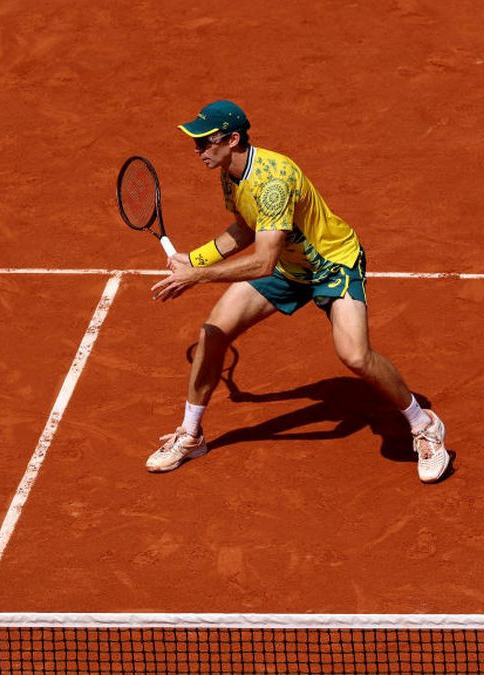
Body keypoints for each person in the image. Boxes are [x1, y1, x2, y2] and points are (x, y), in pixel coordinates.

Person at [146, 100, 450, 483]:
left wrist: (197, 276)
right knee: (213, 333)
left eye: (207, 142)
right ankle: (191, 435)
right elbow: (245, 226)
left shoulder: (273, 181)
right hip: (291, 267)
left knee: (354, 355)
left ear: (233, 139)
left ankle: (424, 425)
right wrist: (197, 257)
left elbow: (262, 263)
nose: (199, 150)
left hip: (331, 263)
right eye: (198, 143)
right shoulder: (230, 172)